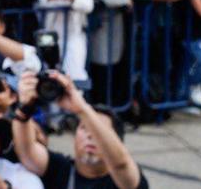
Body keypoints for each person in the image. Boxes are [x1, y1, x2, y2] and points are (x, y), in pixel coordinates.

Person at [12, 71, 147, 189]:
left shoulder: (125, 179)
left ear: (118, 142)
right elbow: (26, 151)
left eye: (98, 131)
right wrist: (25, 107)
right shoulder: (60, 169)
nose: (90, 136)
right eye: (84, 128)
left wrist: (81, 108)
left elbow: (120, 164)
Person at [85, 0, 132, 107]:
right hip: (101, 28)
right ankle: (100, 104)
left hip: (116, 27)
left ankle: (112, 103)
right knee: (101, 66)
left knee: (115, 65)